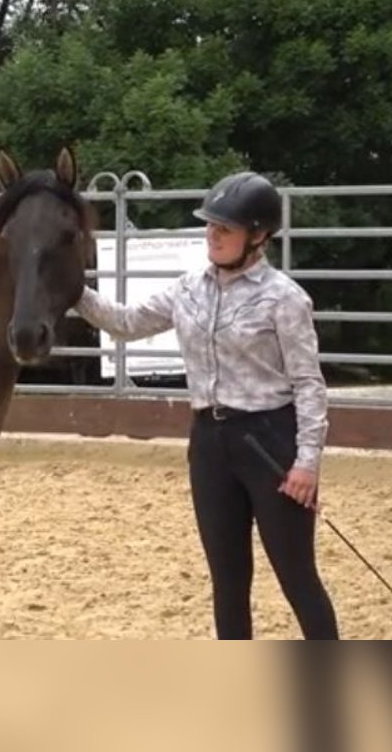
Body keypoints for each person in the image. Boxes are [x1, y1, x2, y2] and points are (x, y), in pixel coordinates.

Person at [74, 171, 339, 640]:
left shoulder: (285, 299)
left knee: (296, 576)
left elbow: (308, 384)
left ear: (258, 235)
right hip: (210, 444)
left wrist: (307, 462)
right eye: (210, 225)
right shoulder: (187, 289)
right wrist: (73, 289)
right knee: (228, 579)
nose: (212, 235)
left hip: (269, 442)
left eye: (225, 228)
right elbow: (126, 322)